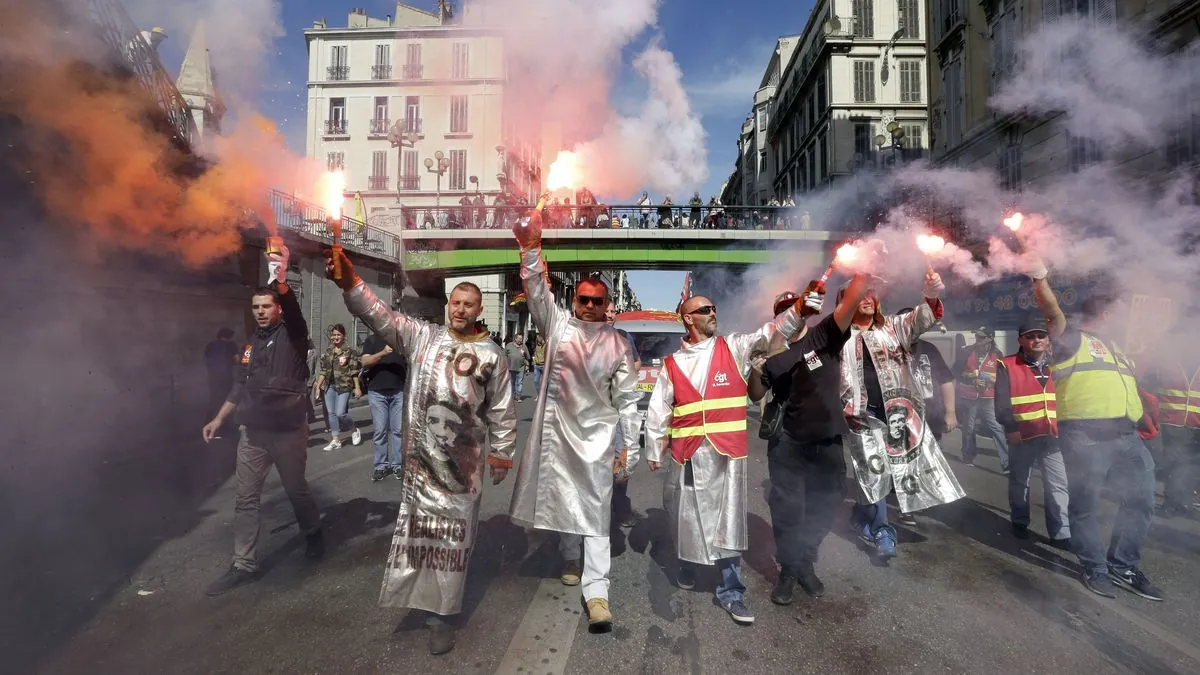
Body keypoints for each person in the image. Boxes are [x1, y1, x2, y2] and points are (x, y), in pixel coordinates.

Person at [330, 249, 517, 655]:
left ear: (479, 309)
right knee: (419, 534)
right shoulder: (423, 337)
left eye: (469, 304)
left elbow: (501, 409)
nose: (460, 310)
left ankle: (443, 616)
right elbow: (381, 315)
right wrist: (351, 283)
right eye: (455, 302)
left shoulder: (493, 355)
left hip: (461, 468)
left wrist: (502, 452)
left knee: (453, 542)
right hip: (420, 464)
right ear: (448, 303)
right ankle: (420, 598)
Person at [508, 206, 642, 631]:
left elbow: (627, 401)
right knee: (565, 499)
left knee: (598, 512)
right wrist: (531, 248)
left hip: (599, 439)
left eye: (596, 301)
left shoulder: (619, 344)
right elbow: (535, 291)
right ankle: (569, 554)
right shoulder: (558, 326)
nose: (588, 305)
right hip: (558, 435)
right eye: (582, 299)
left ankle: (597, 592)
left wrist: (630, 450)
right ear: (574, 301)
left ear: (607, 305)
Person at [644, 287, 809, 625]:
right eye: (704, 309)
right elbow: (658, 407)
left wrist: (800, 311)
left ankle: (731, 591)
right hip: (687, 454)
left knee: (728, 522)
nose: (712, 313)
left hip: (726, 452)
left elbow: (770, 334)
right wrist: (654, 447)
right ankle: (688, 565)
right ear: (688, 319)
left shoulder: (733, 347)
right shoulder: (672, 364)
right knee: (686, 517)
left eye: (714, 308)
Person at [1029, 259, 1162, 600]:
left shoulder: (1118, 351)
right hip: (1086, 438)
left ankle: (1123, 565)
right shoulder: (1071, 338)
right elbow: (1052, 312)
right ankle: (1095, 566)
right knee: (1085, 506)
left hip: (1127, 438)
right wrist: (1039, 278)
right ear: (1104, 315)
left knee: (1141, 501)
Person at [200, 245, 323, 596]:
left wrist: (281, 280)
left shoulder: (295, 334)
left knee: (296, 490)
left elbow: (296, 312)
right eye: (256, 307)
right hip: (253, 431)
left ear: (278, 308)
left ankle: (313, 534)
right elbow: (240, 384)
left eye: (266, 306)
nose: (260, 312)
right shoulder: (252, 343)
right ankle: (244, 563)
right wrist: (219, 418)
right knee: (245, 498)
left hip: (287, 429)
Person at [760, 274, 869, 605]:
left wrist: (862, 264)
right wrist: (755, 367)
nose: (791, 313)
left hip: (826, 440)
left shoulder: (825, 335)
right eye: (784, 310)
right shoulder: (772, 351)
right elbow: (755, 392)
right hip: (786, 444)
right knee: (788, 509)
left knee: (827, 503)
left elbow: (851, 299)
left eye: (795, 307)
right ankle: (789, 570)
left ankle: (806, 560)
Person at [841, 272, 965, 560]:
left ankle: (864, 516)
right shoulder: (840, 336)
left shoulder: (894, 328)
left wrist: (931, 296)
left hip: (897, 414)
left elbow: (922, 319)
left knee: (891, 473)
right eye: (862, 294)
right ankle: (884, 529)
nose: (868, 299)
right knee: (874, 473)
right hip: (861, 417)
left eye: (873, 293)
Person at [994, 320, 1071, 546]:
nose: (1036, 340)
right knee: (1020, 481)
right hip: (1022, 435)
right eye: (1030, 336)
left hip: (1052, 434)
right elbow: (1001, 402)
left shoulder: (1057, 364)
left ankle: (1061, 533)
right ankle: (1019, 521)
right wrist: (1011, 428)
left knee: (1058, 483)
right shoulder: (1007, 364)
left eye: (1041, 335)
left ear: (1048, 339)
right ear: (1020, 341)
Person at [1140, 353, 1200, 517]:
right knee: (1174, 464)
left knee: (1191, 466)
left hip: (1195, 423)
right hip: (1170, 421)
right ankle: (1172, 503)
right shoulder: (1165, 361)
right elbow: (1146, 386)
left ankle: (1184, 502)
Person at [955, 326, 1009, 472]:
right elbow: (955, 372)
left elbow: (1003, 377)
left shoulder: (997, 354)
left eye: (981, 337)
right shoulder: (966, 351)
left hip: (988, 396)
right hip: (969, 395)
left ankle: (1006, 462)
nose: (978, 339)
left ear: (990, 339)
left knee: (996, 428)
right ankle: (968, 455)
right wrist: (971, 378)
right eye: (977, 336)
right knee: (969, 428)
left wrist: (992, 380)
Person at [607, 305, 641, 529]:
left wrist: (625, 373)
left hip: (618, 410)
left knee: (621, 459)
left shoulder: (623, 337)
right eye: (606, 310)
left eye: (612, 311)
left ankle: (620, 509)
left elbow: (636, 362)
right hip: (591, 414)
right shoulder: (583, 338)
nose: (609, 315)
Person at [362, 330, 407, 481]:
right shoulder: (372, 340)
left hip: (399, 391)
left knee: (398, 431)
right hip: (377, 392)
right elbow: (365, 362)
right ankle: (380, 466)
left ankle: (398, 465)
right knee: (380, 431)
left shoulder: (401, 341)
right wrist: (383, 352)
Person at [312, 324, 363, 452]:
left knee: (341, 413)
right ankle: (335, 440)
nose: (336, 337)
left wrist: (357, 388)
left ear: (343, 336)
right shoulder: (328, 352)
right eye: (334, 335)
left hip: (344, 386)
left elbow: (354, 371)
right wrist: (318, 387)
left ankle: (354, 430)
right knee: (331, 413)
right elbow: (323, 371)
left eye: (338, 335)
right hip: (330, 386)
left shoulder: (350, 352)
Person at [203, 328, 238, 419]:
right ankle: (225, 420)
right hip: (226, 377)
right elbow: (237, 359)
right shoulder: (231, 345)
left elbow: (206, 360)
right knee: (227, 399)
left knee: (214, 398)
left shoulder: (210, 345)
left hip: (213, 377)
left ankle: (210, 419)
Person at [504, 335, 530, 400]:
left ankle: (518, 396)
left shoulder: (524, 346)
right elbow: (504, 355)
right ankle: (513, 395)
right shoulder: (509, 345)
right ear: (515, 339)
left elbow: (528, 357)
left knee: (519, 382)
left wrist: (527, 366)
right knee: (512, 382)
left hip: (521, 367)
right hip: (511, 367)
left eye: (522, 339)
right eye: (519, 338)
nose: (521, 340)